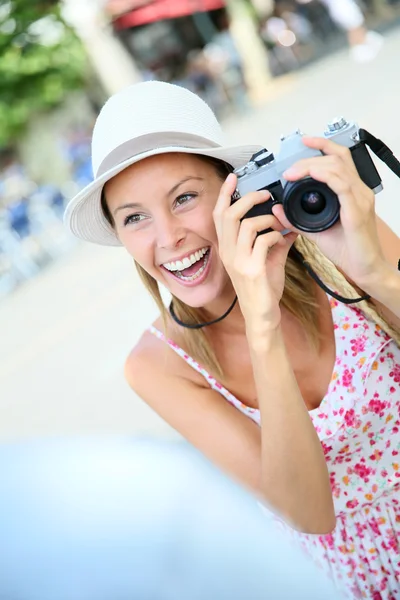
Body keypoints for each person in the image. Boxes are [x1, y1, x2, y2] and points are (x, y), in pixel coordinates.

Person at [65, 81, 400, 598]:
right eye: (135, 218)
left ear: (234, 189)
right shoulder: (159, 365)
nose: (168, 237)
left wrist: (375, 274)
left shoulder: (325, 227)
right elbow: (309, 512)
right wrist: (260, 319)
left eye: (185, 198)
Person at [0, 436, 341, 600]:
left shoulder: (160, 496)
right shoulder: (159, 498)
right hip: (340, 555)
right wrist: (264, 334)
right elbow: (311, 514)